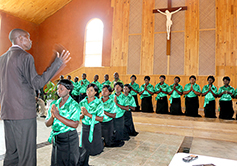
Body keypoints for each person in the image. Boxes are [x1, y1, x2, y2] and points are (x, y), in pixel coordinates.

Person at [0, 28, 70, 166]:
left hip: (8, 113)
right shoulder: (25, 57)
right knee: (27, 156)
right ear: (20, 39)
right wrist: (56, 64)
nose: (30, 40)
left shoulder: (2, 59)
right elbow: (37, 83)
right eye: (28, 37)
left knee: (12, 154)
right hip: (23, 115)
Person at [45, 79, 80, 166]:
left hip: (69, 138)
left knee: (68, 162)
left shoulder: (74, 105)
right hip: (57, 137)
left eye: (61, 89)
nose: (58, 91)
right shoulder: (54, 104)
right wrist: (53, 116)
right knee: (56, 162)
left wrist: (58, 116)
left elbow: (75, 124)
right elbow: (47, 123)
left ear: (68, 90)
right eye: (57, 89)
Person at [79, 84, 104, 156]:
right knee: (84, 148)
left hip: (95, 126)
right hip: (85, 126)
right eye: (87, 90)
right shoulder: (82, 102)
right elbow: (79, 116)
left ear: (95, 92)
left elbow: (101, 119)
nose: (88, 92)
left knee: (94, 148)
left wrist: (88, 114)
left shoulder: (99, 103)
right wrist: (82, 115)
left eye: (91, 90)